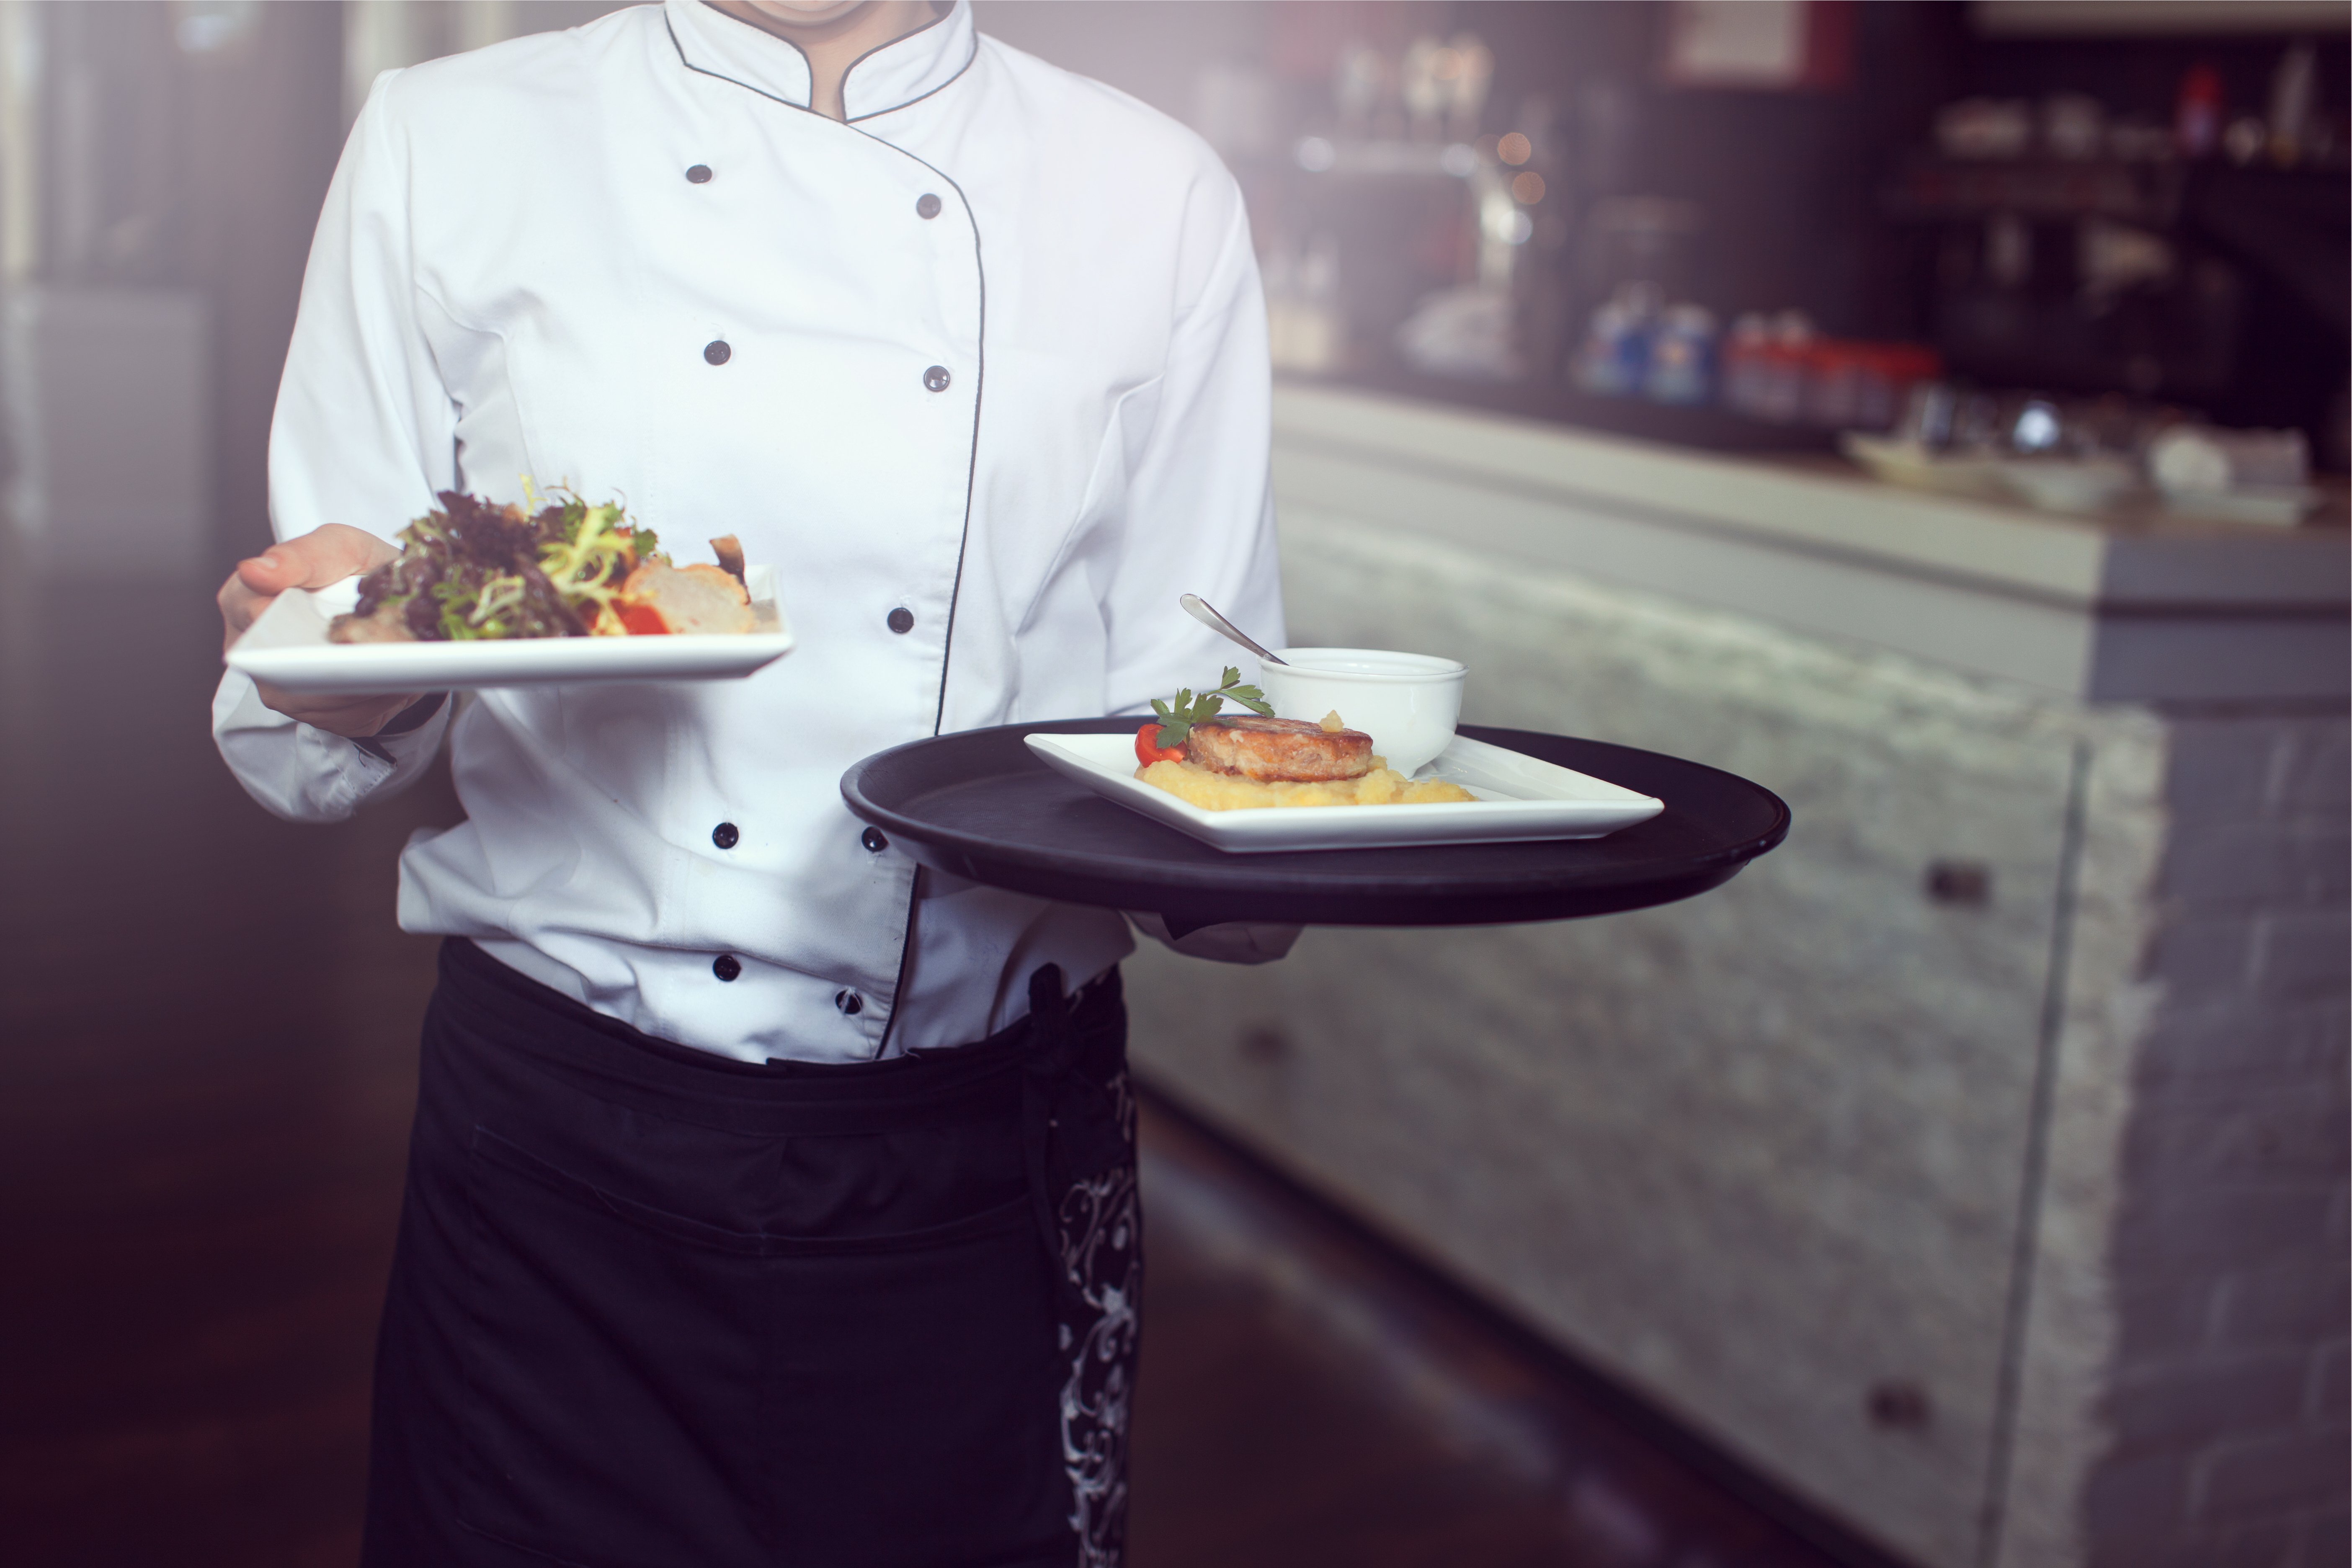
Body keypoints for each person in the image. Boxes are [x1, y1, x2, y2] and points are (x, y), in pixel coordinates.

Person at [210, 3, 1291, 1563]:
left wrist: (1280, 839)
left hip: (990, 1161)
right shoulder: (449, 140)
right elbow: (312, 703)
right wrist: (336, 645)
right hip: (560, 1157)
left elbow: (1204, 721)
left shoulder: (1154, 188)